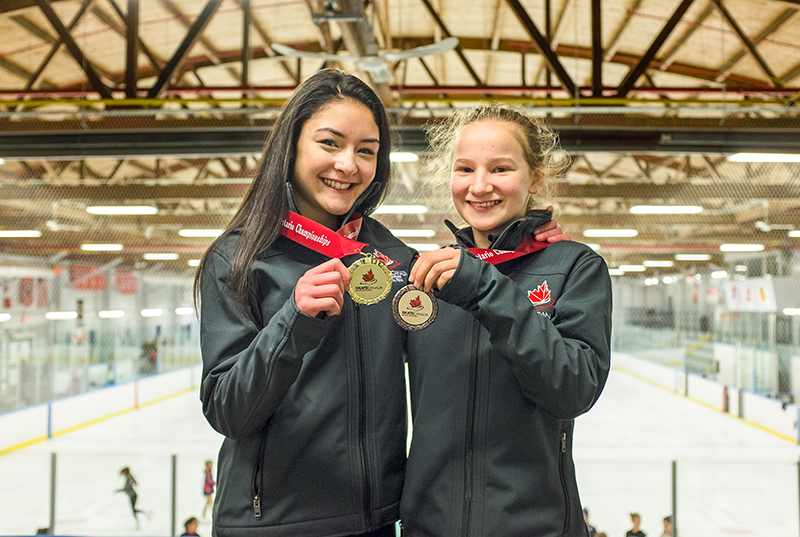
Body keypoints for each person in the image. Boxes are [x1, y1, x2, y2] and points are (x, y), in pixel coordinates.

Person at [194, 70, 568, 537]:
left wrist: (527, 248)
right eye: (329, 143)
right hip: (273, 523)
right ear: (291, 147)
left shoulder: (391, 257)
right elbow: (227, 411)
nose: (347, 165)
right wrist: (293, 320)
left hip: (375, 522)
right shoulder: (239, 258)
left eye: (366, 151)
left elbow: (465, 325)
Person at [400, 104, 612, 536]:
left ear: (536, 178)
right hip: (431, 526)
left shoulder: (575, 268)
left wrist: (485, 286)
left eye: (500, 168)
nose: (480, 186)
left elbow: (574, 389)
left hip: (536, 527)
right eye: (465, 169)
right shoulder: (426, 277)